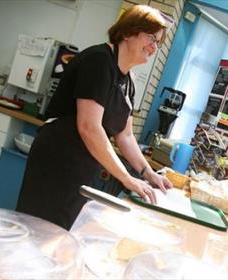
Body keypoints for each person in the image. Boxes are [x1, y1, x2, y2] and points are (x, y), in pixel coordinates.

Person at [16, 5, 173, 230]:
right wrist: (126, 178)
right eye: (151, 37)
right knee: (37, 229)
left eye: (158, 42)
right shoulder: (99, 61)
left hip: (82, 164)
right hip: (58, 159)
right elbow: (89, 127)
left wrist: (148, 172)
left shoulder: (129, 81)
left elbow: (125, 135)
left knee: (59, 233)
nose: (154, 47)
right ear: (128, 32)